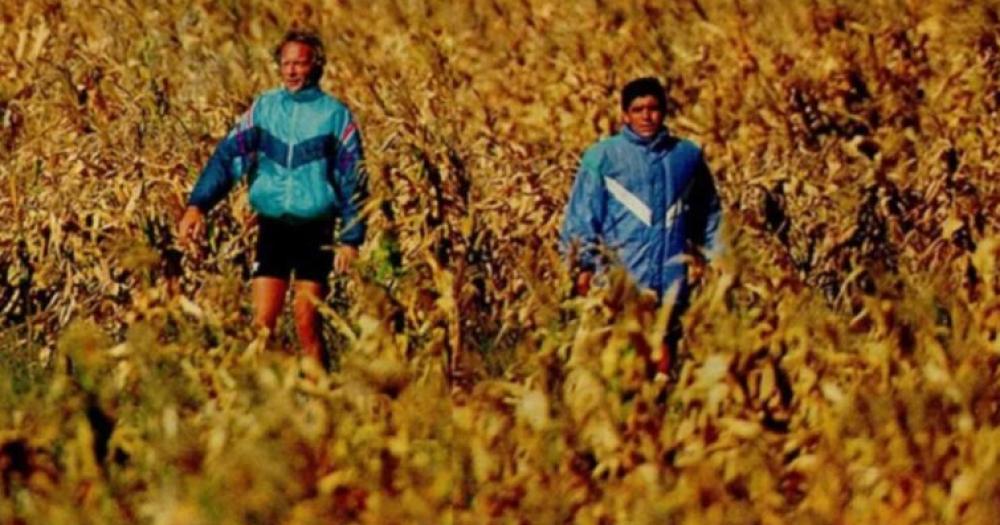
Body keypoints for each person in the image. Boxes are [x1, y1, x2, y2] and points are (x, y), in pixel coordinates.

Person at [178, 29, 367, 369]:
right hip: (273, 228)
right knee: (261, 325)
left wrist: (351, 239)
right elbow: (227, 159)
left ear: (316, 66)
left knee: (307, 323)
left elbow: (352, 180)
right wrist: (198, 205)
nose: (292, 71)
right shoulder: (264, 109)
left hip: (316, 230)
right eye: (286, 63)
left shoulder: (335, 116)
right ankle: (257, 404)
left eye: (300, 63)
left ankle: (324, 404)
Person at [561, 76, 721, 376]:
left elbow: (709, 215)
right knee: (621, 365)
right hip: (621, 281)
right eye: (638, 109)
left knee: (664, 362)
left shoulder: (686, 156)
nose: (647, 116)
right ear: (624, 115)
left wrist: (719, 258)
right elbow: (582, 215)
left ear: (664, 112)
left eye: (654, 108)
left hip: (671, 281)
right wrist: (583, 265)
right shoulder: (603, 157)